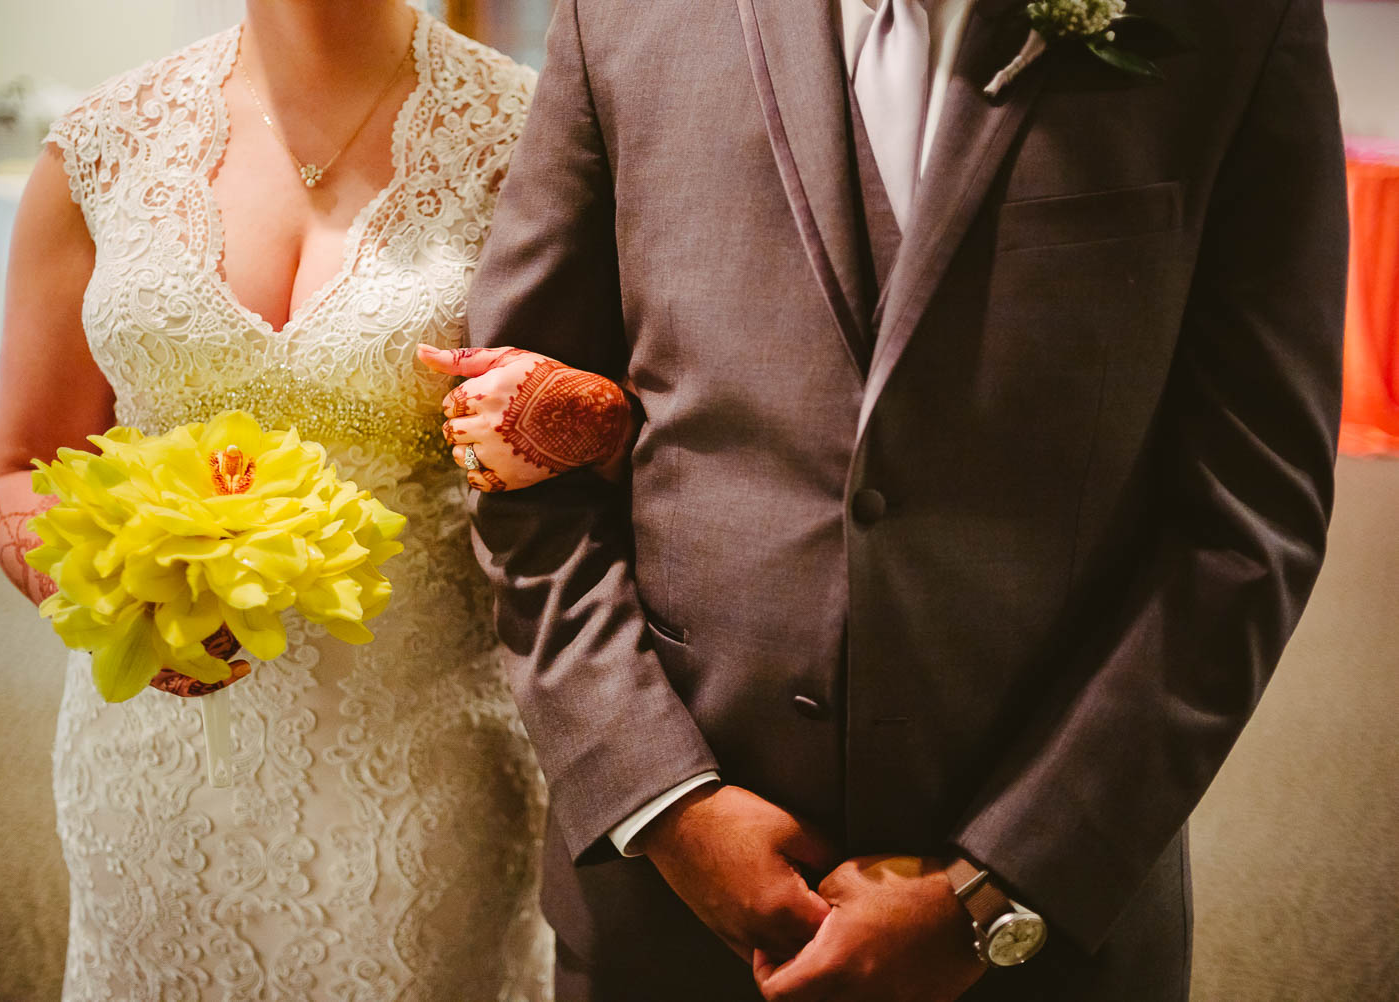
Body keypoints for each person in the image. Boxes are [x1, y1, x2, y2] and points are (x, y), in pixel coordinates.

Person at [451, 0, 1349, 998]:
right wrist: (659, 798)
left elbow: (1249, 508)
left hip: (1047, 923)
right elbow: (516, 438)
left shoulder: (1236, 23)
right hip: (668, 907)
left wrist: (1002, 888)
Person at [0, 2, 627, 997]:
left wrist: (587, 421)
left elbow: (643, 431)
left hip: (420, 754)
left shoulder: (529, 136)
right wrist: (106, 592)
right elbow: (21, 462)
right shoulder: (102, 146)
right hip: (156, 764)